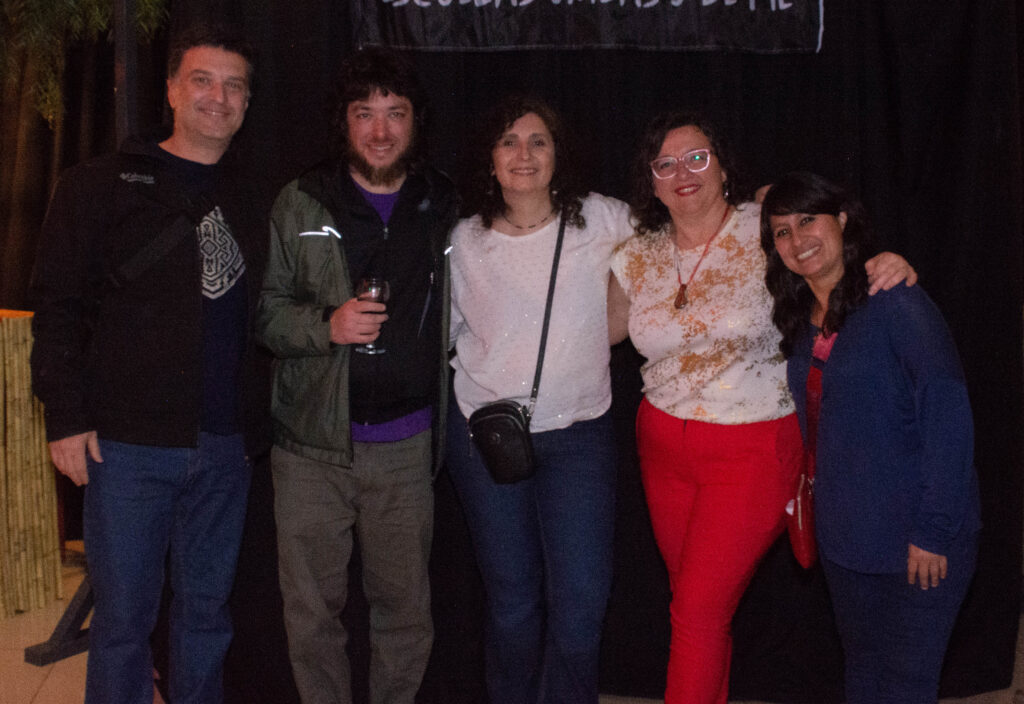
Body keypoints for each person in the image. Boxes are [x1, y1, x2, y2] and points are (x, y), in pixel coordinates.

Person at [606, 111, 915, 704]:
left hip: (753, 446)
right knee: (697, 610)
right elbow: (596, 335)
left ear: (723, 166)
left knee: (696, 612)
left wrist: (885, 261)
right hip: (662, 447)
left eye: (697, 157)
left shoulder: (763, 227)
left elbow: (831, 251)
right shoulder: (636, 256)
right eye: (665, 164)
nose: (683, 172)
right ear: (651, 182)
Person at [29, 24, 268, 704]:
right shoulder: (98, 185)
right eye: (202, 80)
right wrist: (65, 418)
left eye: (233, 86)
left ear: (247, 102)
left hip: (225, 448)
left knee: (206, 617)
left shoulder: (256, 196)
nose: (218, 97)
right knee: (124, 626)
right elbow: (57, 308)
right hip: (126, 447)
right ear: (170, 90)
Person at [255, 46, 458, 704]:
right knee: (312, 614)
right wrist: (327, 325)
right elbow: (266, 315)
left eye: (395, 113)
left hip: (406, 447)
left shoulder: (444, 204)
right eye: (364, 113)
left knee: (405, 611)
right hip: (310, 450)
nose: (380, 130)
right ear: (342, 121)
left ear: (416, 121)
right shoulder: (302, 200)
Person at [760, 171, 980, 704]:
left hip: (919, 539)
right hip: (847, 541)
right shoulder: (798, 319)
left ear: (841, 220)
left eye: (808, 220)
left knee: (906, 686)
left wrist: (933, 531)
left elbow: (948, 415)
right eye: (782, 231)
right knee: (862, 675)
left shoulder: (896, 302)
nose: (797, 239)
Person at [445, 95, 631, 704]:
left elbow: (683, 234)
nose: (523, 154)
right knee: (513, 605)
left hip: (579, 436)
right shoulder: (462, 241)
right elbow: (442, 334)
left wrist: (758, 205)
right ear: (490, 159)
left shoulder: (601, 218)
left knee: (581, 607)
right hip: (485, 436)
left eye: (538, 141)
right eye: (508, 142)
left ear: (558, 154)